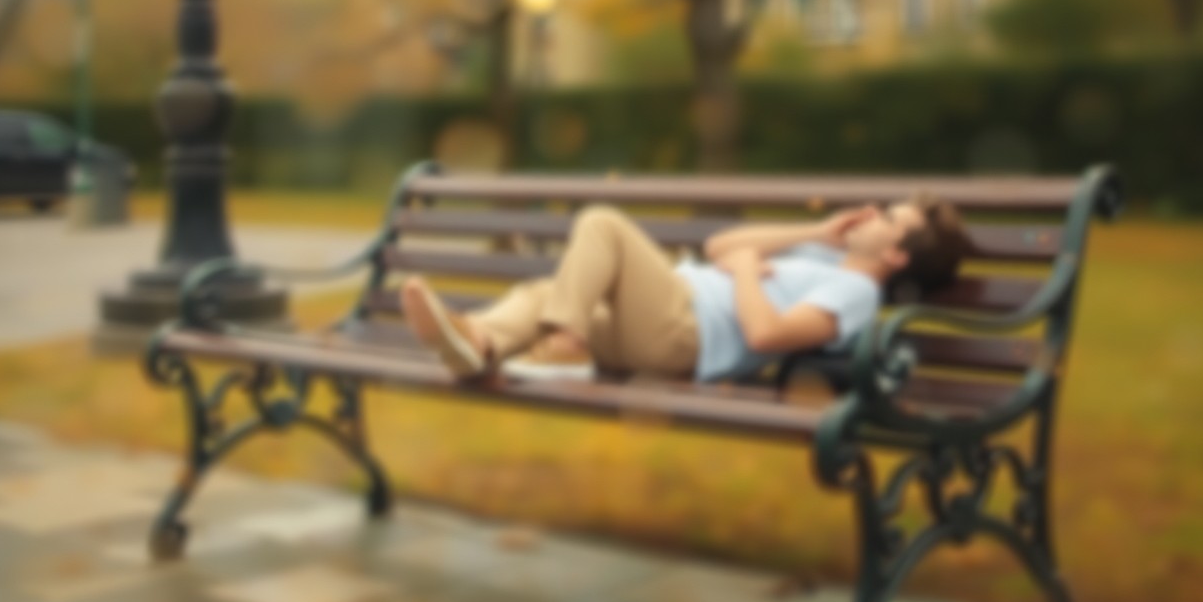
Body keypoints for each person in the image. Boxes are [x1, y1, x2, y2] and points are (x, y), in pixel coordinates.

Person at [400, 195, 970, 384]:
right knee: (542, 293)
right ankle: (479, 343)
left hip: (685, 333)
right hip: (665, 317)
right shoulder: (827, 255)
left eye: (888, 218)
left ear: (895, 256)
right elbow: (723, 246)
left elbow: (767, 334)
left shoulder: (857, 294)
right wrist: (817, 230)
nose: (870, 214)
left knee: (602, 222)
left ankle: (566, 346)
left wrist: (747, 273)